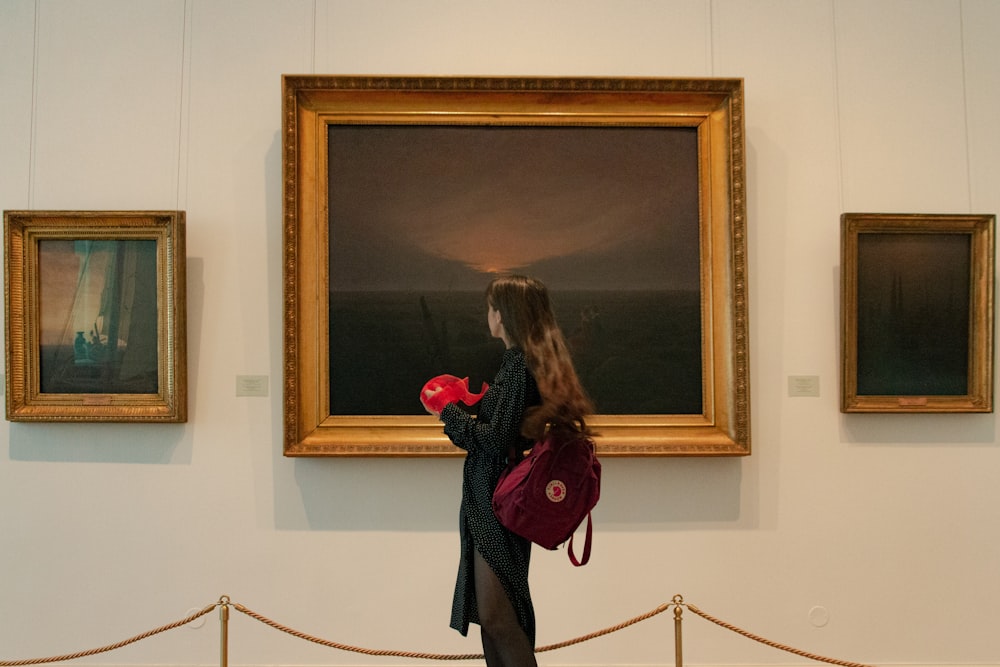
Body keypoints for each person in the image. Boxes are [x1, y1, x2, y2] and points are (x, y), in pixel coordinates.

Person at [422, 274, 594, 667]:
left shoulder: (518, 364)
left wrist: (446, 409)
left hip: (496, 501)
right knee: (492, 615)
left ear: (503, 315)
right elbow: (502, 429)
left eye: (491, 308)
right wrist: (476, 406)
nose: (488, 316)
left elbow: (496, 439)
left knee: (499, 616)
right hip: (493, 499)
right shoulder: (521, 364)